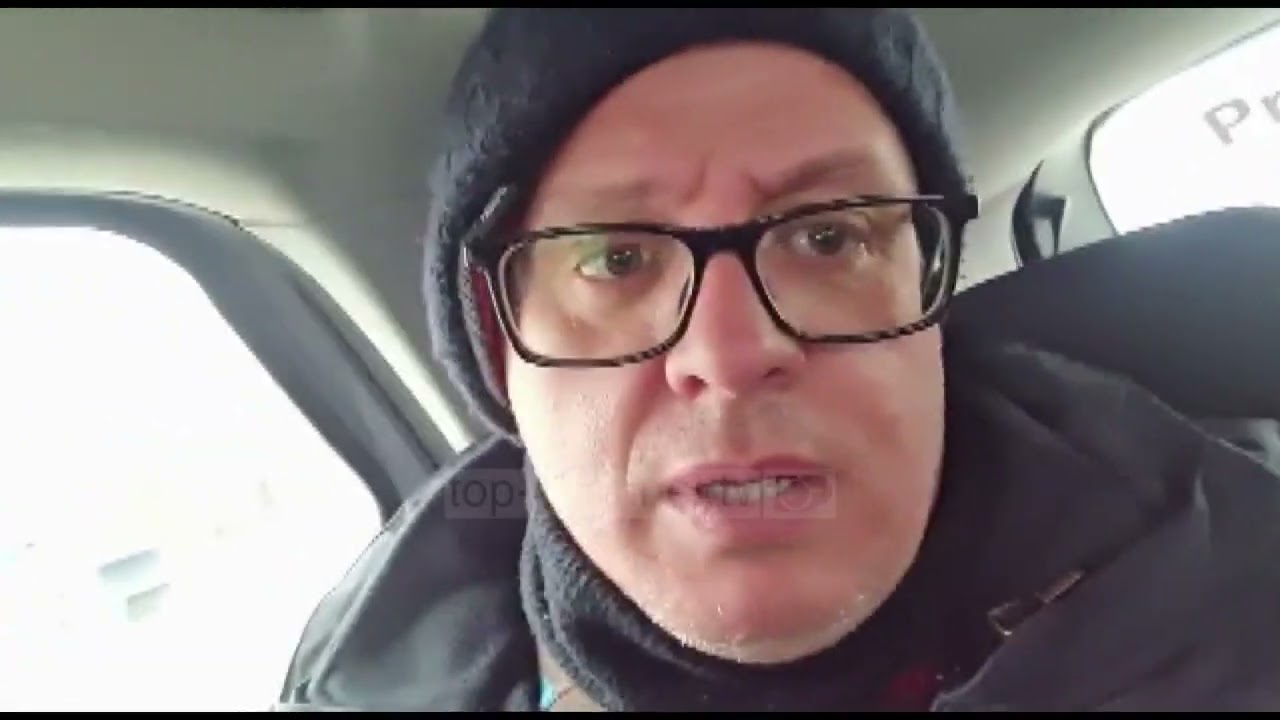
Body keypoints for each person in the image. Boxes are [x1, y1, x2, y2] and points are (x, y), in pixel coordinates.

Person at [277, 8, 1280, 711]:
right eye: (616, 260)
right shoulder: (359, 687)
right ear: (499, 351)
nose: (729, 355)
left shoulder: (1241, 622)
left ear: (928, 294)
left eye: (828, 239)